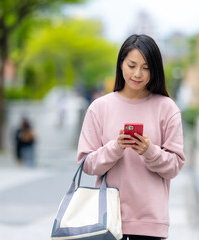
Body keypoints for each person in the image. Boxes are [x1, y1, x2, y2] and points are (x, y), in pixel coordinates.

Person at [77, 34, 185, 240]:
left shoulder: (167, 108)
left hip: (150, 224)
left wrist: (149, 151)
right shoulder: (99, 108)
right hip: (106, 219)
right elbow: (86, 164)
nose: (138, 74)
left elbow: (174, 167)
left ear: (155, 70)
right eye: (132, 65)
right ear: (121, 65)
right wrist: (115, 148)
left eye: (146, 67)